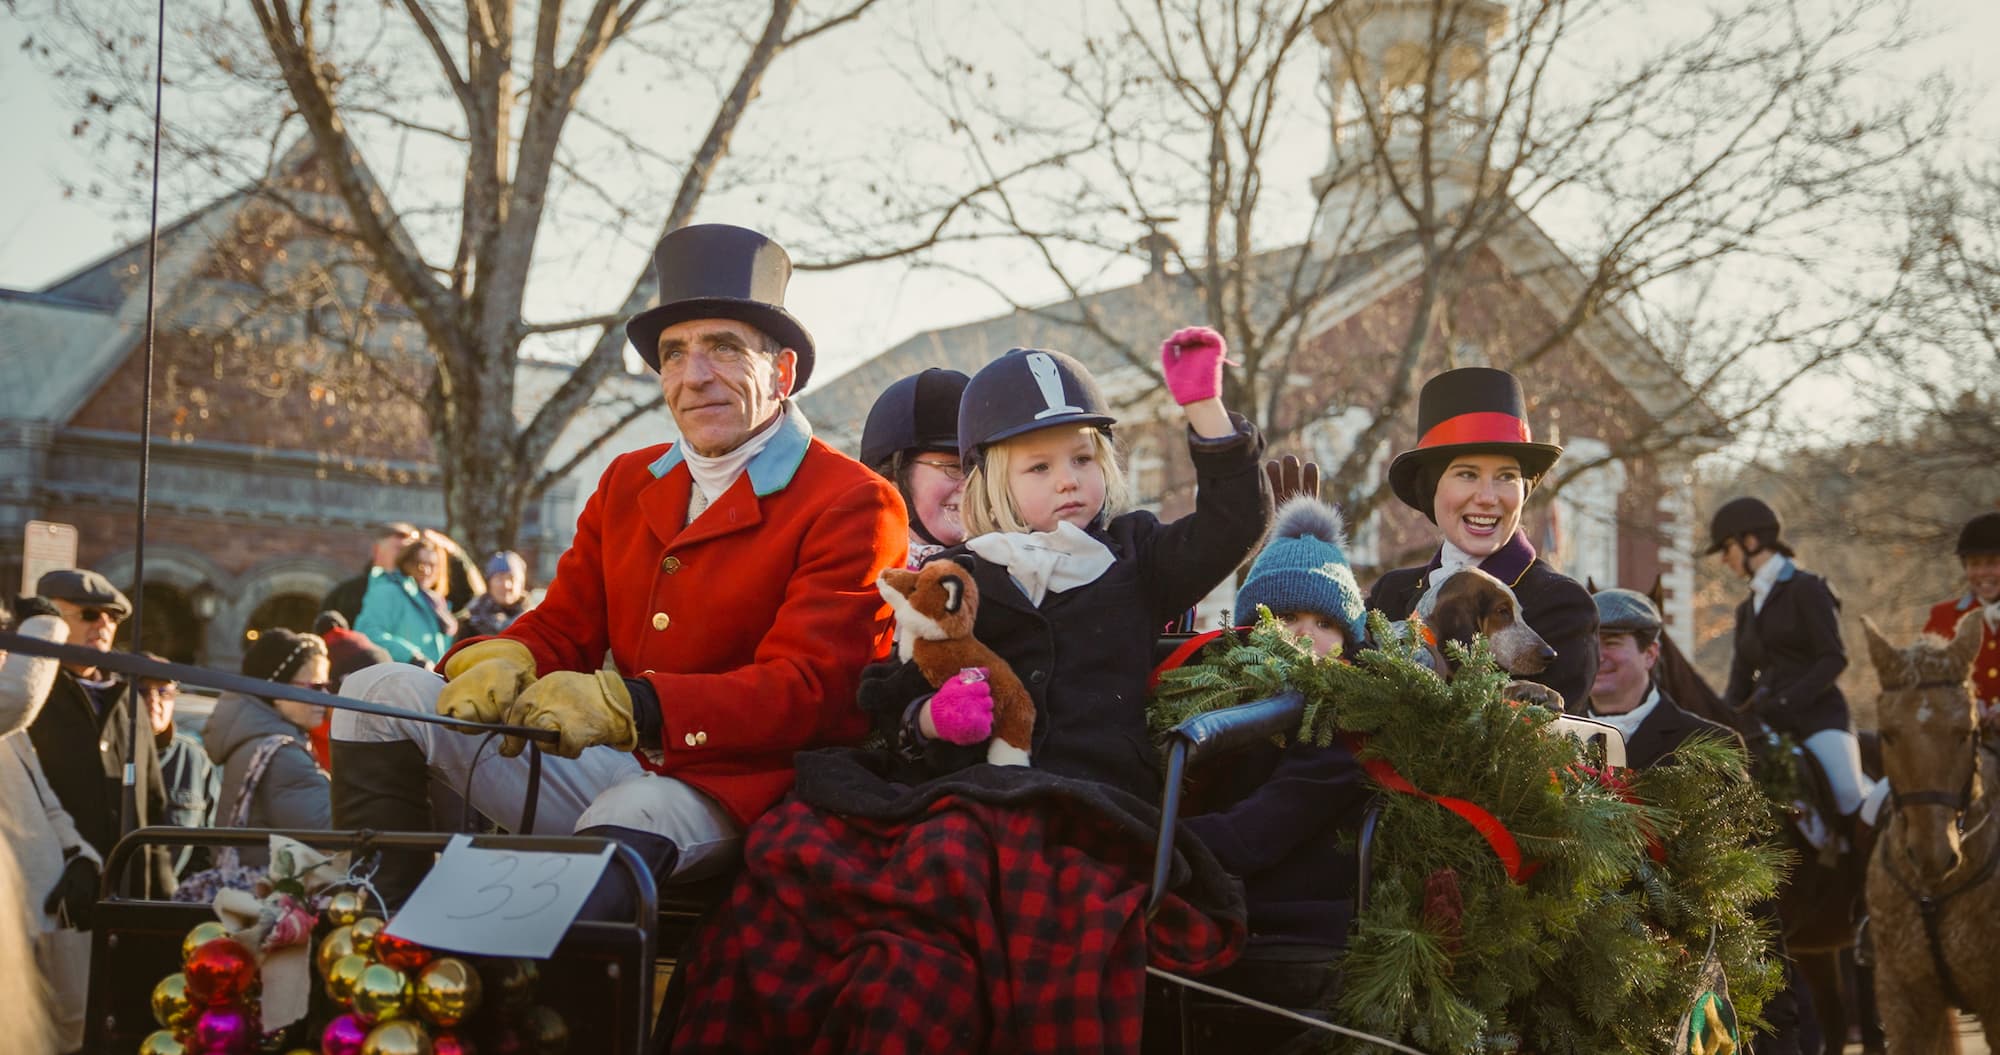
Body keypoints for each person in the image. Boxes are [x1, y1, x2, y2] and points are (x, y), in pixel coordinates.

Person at [671, 330, 1271, 1051]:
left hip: (1086, 804)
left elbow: (1232, 524)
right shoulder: (962, 576)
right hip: (964, 793)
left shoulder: (1133, 560)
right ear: (991, 483)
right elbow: (891, 698)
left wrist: (1204, 406)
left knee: (977, 861)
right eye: (1040, 467)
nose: (1068, 481)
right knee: (804, 854)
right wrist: (932, 719)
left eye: (1083, 459)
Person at [333, 224, 908, 901]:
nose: (695, 376)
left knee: (625, 818)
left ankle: (540, 997)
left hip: (741, 787)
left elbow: (809, 691)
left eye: (723, 347)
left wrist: (637, 703)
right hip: (624, 762)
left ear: (781, 372)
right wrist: (502, 656)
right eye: (675, 353)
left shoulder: (853, 499)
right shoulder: (628, 482)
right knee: (375, 696)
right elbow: (564, 626)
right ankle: (375, 935)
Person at [1181, 497, 1373, 961]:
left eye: (1325, 623)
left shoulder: (1342, 718)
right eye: (1286, 618)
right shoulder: (1230, 698)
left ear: (1348, 642)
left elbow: (1261, 829)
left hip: (1295, 927)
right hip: (1229, 904)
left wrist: (1162, 840)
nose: (1306, 636)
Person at [1365, 367, 1599, 710]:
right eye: (1467, 474)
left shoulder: (1563, 604)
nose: (1488, 497)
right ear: (1432, 488)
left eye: (1506, 476)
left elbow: (1533, 741)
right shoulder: (1390, 593)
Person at [1710, 497, 1880, 830]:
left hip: (1819, 717)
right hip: (1766, 724)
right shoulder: (1746, 610)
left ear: (1751, 541)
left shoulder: (1808, 588)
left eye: (1726, 548)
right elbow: (1739, 681)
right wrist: (1718, 720)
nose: (1723, 559)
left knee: (1847, 794)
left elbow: (1833, 658)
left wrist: (1787, 702)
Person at [23, 569, 174, 896]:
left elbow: (154, 808)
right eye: (89, 615)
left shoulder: (127, 700)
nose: (104, 625)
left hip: (125, 896)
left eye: (113, 617)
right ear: (49, 616)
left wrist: (162, 897)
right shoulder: (30, 696)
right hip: (51, 891)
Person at [0, 600, 96, 1053]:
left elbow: (47, 803)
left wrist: (79, 855)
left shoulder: (14, 736)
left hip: (47, 913)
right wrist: (45, 623)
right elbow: (17, 698)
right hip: (11, 920)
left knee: (64, 1034)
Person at [203, 630, 332, 867]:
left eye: (326, 685)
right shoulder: (282, 755)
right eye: (315, 686)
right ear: (277, 692)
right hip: (268, 896)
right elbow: (330, 831)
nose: (326, 696)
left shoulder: (259, 739)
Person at [1586, 588, 1738, 770]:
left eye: (1612, 643)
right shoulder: (1555, 733)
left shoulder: (1712, 742)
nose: (1598, 657)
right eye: (1590, 644)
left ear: (1650, 654)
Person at [861, 367, 972, 565]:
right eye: (953, 468)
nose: (970, 485)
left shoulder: (1022, 567)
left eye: (978, 469)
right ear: (891, 481)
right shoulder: (862, 582)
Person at [137, 656, 219, 879]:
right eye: (142, 691)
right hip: (113, 899)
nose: (153, 701)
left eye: (163, 691)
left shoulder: (193, 759)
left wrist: (183, 898)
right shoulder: (109, 752)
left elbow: (209, 847)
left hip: (173, 903)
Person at [1924, 511, 1999, 738]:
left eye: (1993, 563)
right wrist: (1967, 704)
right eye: (1974, 564)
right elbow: (1927, 683)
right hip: (1962, 737)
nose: (1982, 572)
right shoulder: (1943, 617)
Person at [353, 536, 456, 667]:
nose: (426, 570)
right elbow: (368, 634)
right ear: (405, 563)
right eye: (419, 563)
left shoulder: (439, 605)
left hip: (429, 681)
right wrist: (412, 657)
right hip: (396, 677)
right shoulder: (387, 591)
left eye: (432, 565)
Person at [320, 522, 422, 625]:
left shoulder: (422, 593)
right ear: (376, 550)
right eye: (400, 549)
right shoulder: (346, 594)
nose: (407, 556)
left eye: (412, 551)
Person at [460, 550, 532, 640]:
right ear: (489, 583)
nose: (506, 585)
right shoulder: (471, 621)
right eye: (499, 578)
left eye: (512, 578)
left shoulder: (533, 623)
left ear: (522, 584)